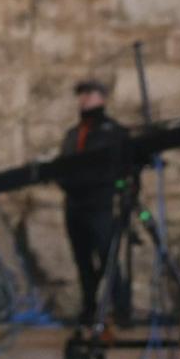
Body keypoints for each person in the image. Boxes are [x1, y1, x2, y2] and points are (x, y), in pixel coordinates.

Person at [57, 79, 131, 331]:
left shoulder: (112, 132)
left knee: (108, 258)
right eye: (82, 95)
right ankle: (89, 308)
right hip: (75, 205)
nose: (84, 99)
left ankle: (121, 309)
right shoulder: (74, 134)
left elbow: (112, 167)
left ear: (102, 98)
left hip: (99, 205)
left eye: (90, 94)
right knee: (83, 262)